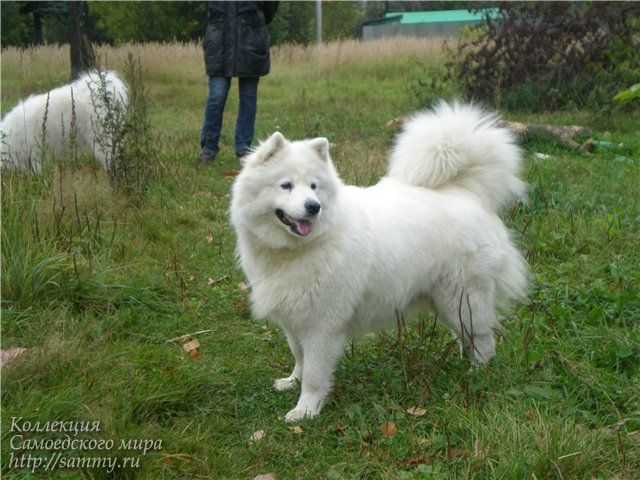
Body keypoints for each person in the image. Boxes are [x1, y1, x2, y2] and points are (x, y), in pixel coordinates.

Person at [200, 1, 279, 165]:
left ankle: (243, 149)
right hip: (219, 44)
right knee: (216, 96)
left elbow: (270, 6)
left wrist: (254, 19)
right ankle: (208, 149)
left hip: (251, 41)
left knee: (248, 99)